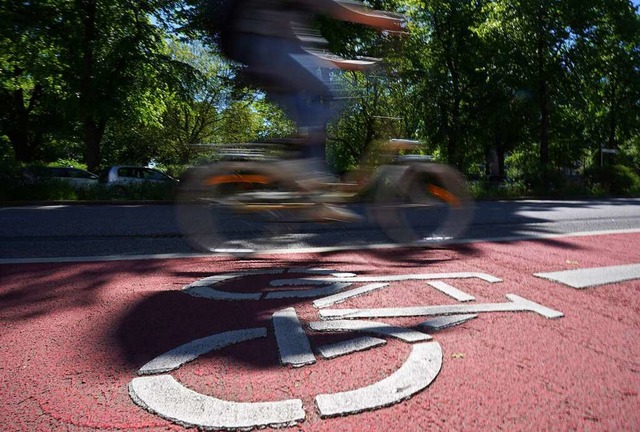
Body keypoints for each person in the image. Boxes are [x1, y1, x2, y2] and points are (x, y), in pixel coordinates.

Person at [203, 0, 404, 220]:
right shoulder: (279, 18)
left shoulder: (288, 21)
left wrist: (357, 64)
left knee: (308, 110)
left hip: (257, 49)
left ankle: (311, 187)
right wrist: (376, 19)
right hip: (258, 43)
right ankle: (307, 175)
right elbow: (330, 6)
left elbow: (307, 57)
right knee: (331, 93)